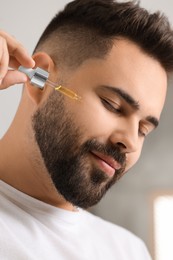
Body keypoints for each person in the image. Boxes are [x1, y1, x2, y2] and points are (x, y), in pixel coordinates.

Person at [0, 0, 173, 259]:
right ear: (41, 80)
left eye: (143, 130)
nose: (130, 142)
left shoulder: (130, 251)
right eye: (112, 105)